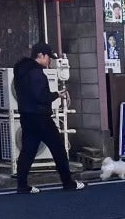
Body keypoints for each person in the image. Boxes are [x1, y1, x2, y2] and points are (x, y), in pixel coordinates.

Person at [11, 43, 84, 194]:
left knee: (28, 151)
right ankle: (68, 182)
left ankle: (22, 185)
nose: (49, 61)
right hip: (41, 117)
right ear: (41, 55)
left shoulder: (20, 70)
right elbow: (41, 96)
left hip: (26, 116)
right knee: (58, 149)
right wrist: (57, 94)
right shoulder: (36, 72)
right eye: (48, 57)